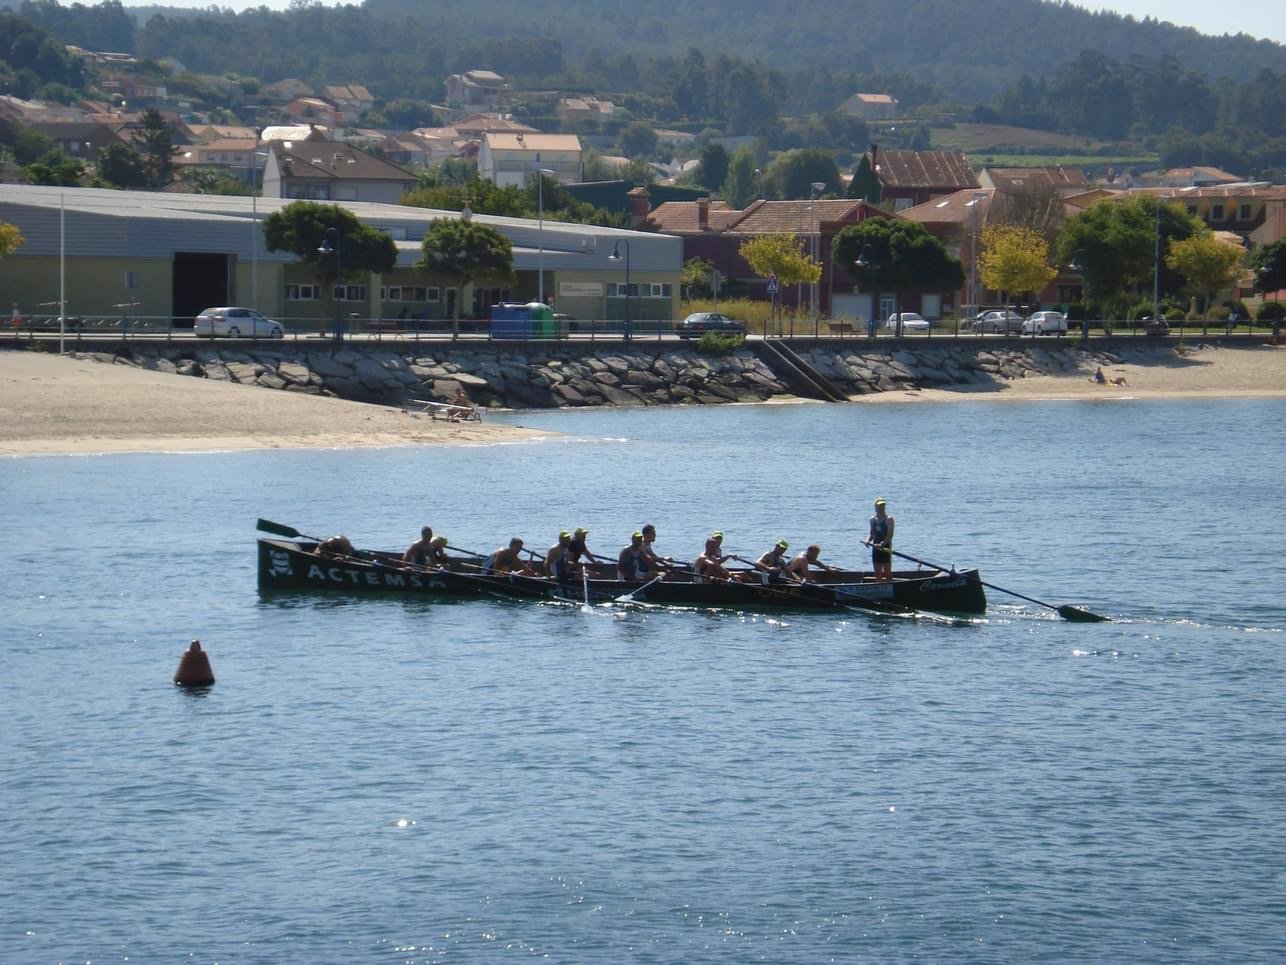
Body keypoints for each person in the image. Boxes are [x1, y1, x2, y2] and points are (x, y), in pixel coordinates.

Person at [867, 498, 895, 583]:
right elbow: (871, 533)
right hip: (876, 548)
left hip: (886, 548)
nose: (882, 508)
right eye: (879, 506)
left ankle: (889, 588)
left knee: (887, 572)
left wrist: (882, 544)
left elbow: (890, 535)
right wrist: (868, 540)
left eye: (883, 506)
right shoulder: (872, 519)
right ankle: (879, 588)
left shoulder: (889, 519)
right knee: (877, 573)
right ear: (875, 507)